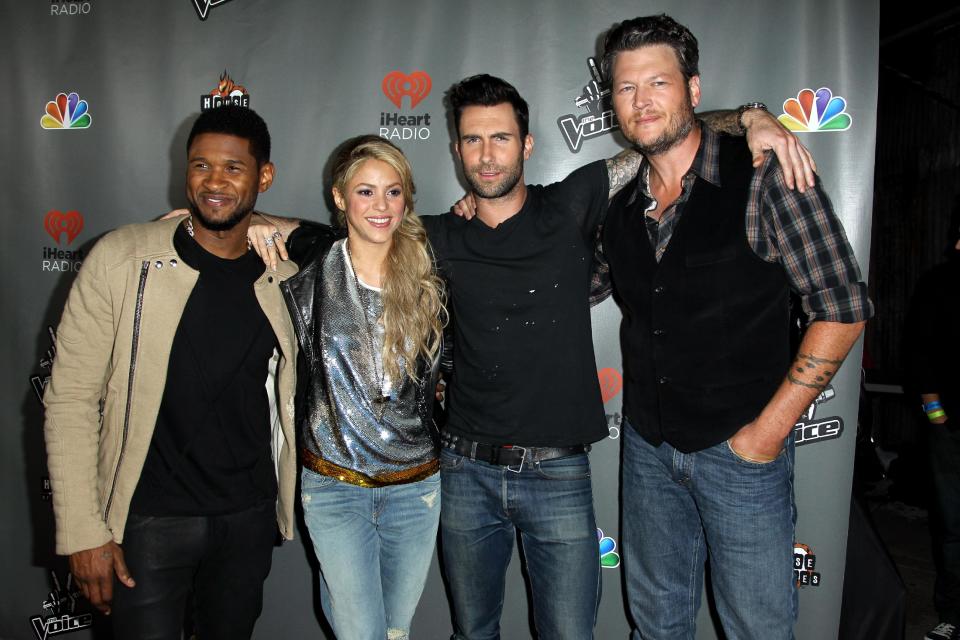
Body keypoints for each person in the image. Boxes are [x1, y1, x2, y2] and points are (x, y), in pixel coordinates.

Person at [248, 76, 814, 640]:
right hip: (465, 471)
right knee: (474, 632)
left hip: (559, 471)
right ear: (456, 150)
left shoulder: (571, 204)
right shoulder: (431, 237)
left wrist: (749, 116)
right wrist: (247, 222)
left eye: (501, 138)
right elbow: (341, 236)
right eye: (473, 140)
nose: (487, 155)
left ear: (527, 144)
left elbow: (661, 138)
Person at [594, 15, 873, 639]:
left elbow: (843, 306)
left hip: (741, 452)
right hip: (647, 449)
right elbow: (566, 283)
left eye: (659, 83)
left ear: (693, 90)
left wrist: (768, 433)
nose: (642, 101)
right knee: (657, 625)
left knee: (758, 630)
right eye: (625, 88)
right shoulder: (616, 206)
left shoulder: (767, 175)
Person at [42, 105, 299, 639]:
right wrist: (84, 532)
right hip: (148, 522)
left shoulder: (285, 275)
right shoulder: (121, 258)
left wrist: (280, 224)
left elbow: (367, 232)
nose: (214, 182)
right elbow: (68, 398)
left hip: (247, 517)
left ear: (264, 176)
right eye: (201, 166)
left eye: (233, 168)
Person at [276, 135, 448, 640]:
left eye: (393, 192)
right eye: (366, 192)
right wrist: (181, 219)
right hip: (334, 487)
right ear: (339, 197)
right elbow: (238, 222)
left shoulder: (432, 270)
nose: (380, 206)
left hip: (417, 487)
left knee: (394, 631)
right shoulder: (313, 262)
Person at [905, 206, 960, 640]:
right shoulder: (939, 284)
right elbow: (919, 353)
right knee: (953, 525)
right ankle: (953, 615)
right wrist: (935, 413)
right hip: (952, 428)